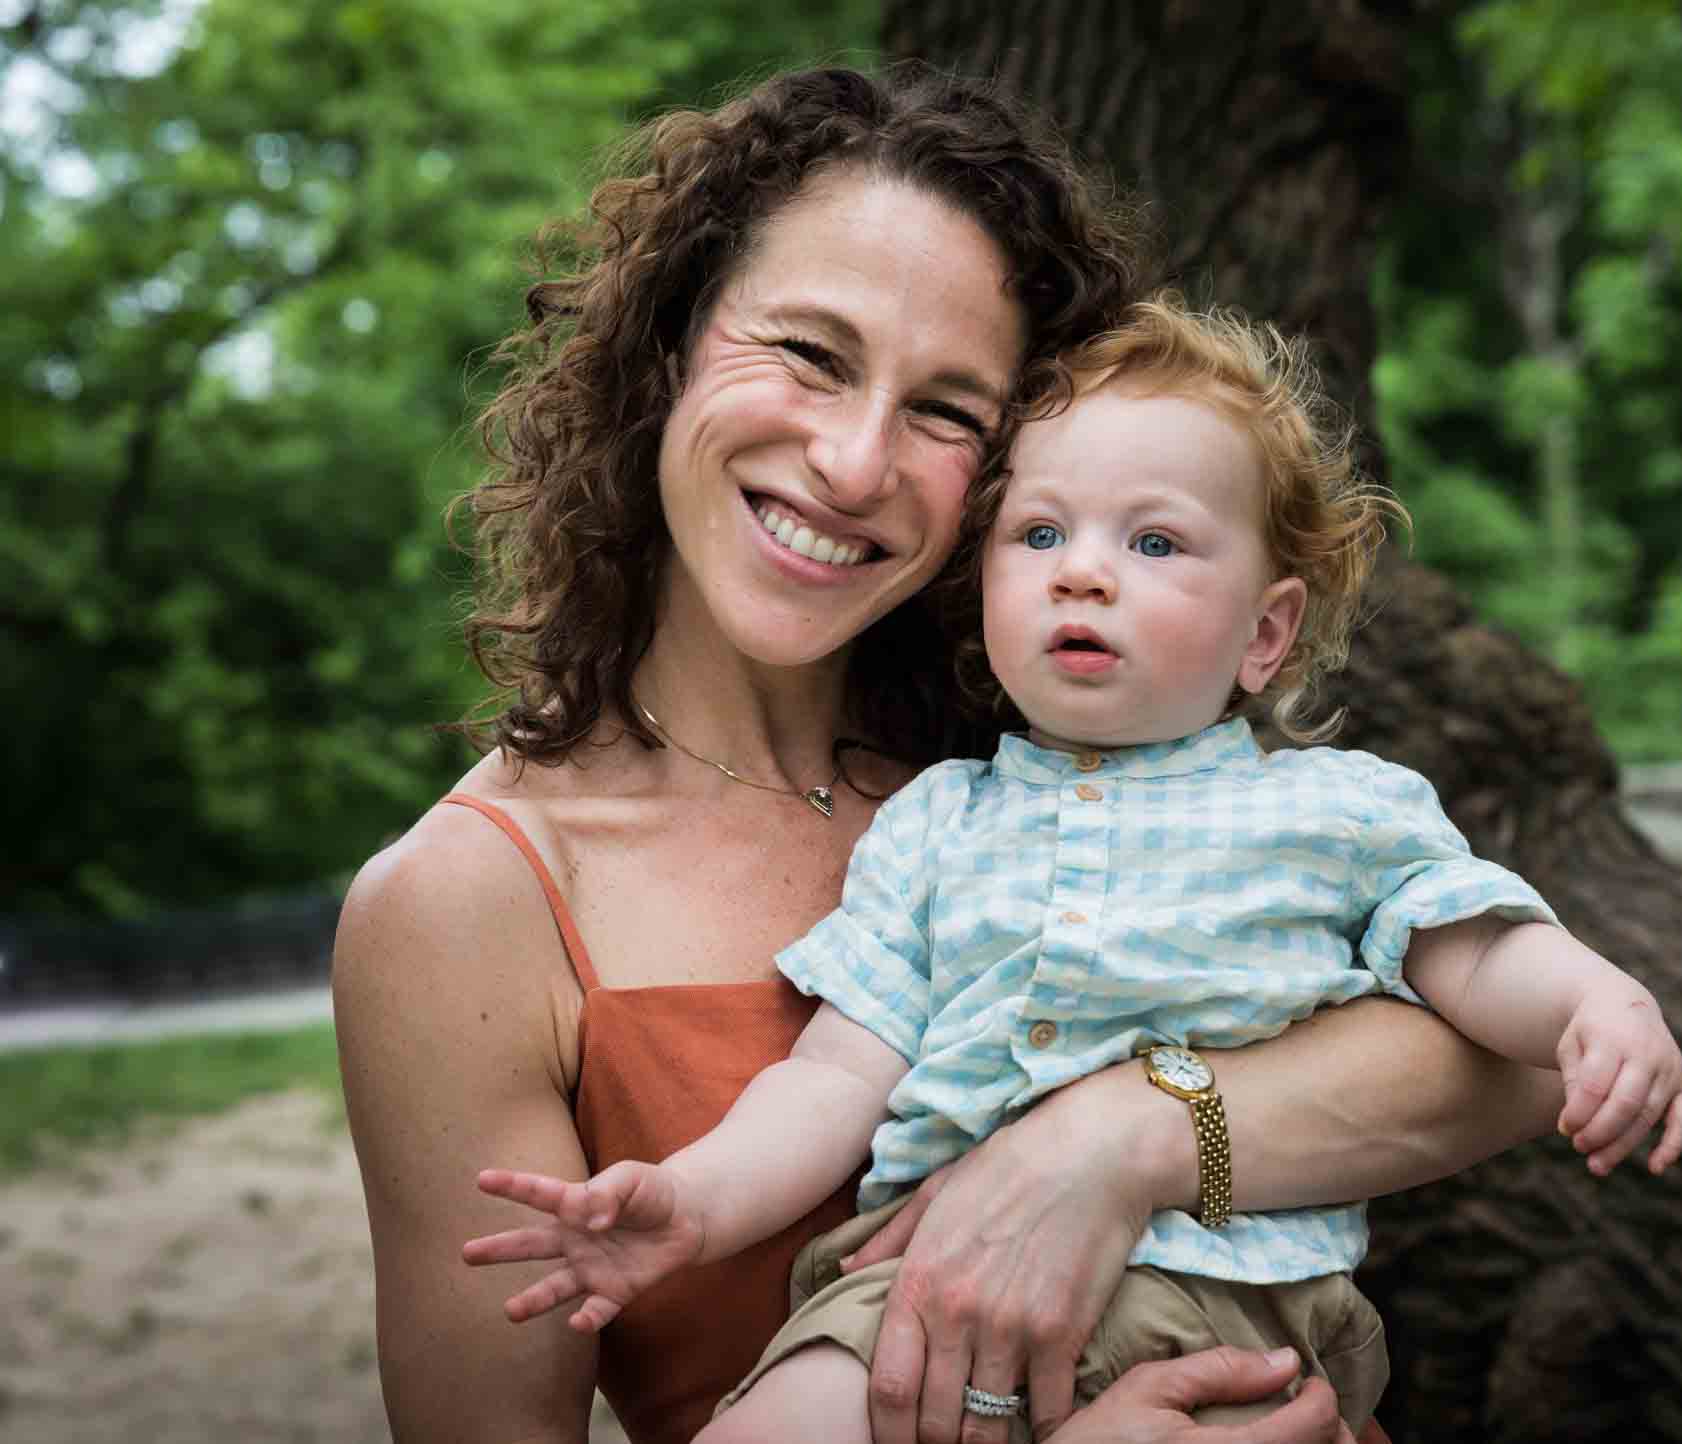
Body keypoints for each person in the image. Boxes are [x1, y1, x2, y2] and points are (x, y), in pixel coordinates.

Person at [334, 61, 1572, 1444]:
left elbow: (1516, 1064)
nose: (855, 463)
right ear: (671, 346)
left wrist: (1113, 1145)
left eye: (945, 412)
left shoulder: (1066, 738)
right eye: (809, 354)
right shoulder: (463, 907)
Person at [461, 298, 1682, 1443]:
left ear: (1264, 632)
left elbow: (1471, 952)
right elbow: (838, 1069)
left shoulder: (1334, 810)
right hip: (917, 1305)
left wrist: (1595, 1000)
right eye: (1039, 531)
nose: (1082, 569)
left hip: (1223, 1306)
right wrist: (691, 1205)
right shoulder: (938, 821)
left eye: (1153, 540)